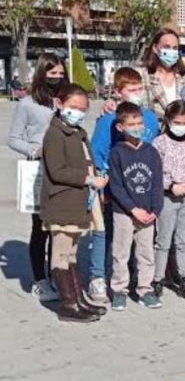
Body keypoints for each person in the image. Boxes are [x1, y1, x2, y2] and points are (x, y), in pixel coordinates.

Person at [88, 67, 161, 303]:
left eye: (140, 88)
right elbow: (99, 154)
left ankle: (144, 286)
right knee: (115, 240)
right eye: (132, 89)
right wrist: (104, 187)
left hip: (145, 191)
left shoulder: (148, 117)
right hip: (119, 190)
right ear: (119, 92)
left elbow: (156, 147)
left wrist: (155, 207)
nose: (137, 93)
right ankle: (107, 281)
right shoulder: (109, 120)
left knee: (144, 248)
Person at [39, 84, 108, 322]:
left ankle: (78, 298)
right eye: (72, 107)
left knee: (72, 254)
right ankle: (68, 303)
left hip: (78, 202)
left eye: (82, 109)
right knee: (61, 252)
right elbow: (57, 171)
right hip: (62, 202)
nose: (77, 112)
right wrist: (88, 178)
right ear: (60, 105)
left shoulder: (79, 132)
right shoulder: (55, 133)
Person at [7, 53, 67, 302]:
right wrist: (34, 149)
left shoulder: (65, 99)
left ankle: (57, 274)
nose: (57, 78)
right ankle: (39, 280)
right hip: (39, 169)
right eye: (52, 74)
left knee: (59, 227)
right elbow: (13, 138)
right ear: (42, 73)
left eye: (61, 74)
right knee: (40, 227)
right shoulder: (28, 103)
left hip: (64, 169)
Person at [107, 102, 164, 311]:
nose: (137, 127)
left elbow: (158, 183)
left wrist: (155, 210)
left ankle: (145, 289)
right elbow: (116, 186)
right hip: (124, 212)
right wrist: (132, 209)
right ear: (121, 127)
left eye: (140, 123)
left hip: (148, 212)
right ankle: (119, 290)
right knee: (121, 253)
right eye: (132, 124)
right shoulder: (117, 153)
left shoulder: (151, 152)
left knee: (146, 252)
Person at [152, 100, 185, 301]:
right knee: (163, 240)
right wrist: (171, 185)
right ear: (168, 120)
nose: (181, 126)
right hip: (168, 197)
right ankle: (157, 279)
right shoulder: (160, 143)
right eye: (177, 122)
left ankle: (184, 277)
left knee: (183, 241)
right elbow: (155, 171)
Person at [103, 28, 185, 117]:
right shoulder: (142, 74)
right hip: (151, 133)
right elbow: (122, 94)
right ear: (155, 48)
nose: (171, 51)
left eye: (175, 48)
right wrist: (111, 102)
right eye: (167, 47)